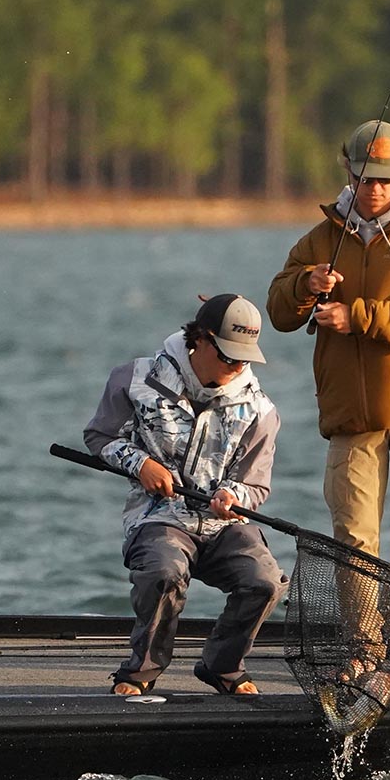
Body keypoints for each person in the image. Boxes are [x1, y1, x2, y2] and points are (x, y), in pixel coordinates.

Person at [267, 119, 390, 678]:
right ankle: (364, 649)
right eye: (366, 177)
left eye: (386, 179)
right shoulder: (320, 238)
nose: (375, 188)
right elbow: (277, 311)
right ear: (347, 169)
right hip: (350, 419)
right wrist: (306, 286)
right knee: (354, 542)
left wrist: (356, 316)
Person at [84, 294, 287, 696]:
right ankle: (140, 672)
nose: (237, 366)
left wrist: (232, 495)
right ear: (202, 341)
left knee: (265, 582)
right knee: (163, 573)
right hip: (158, 519)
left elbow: (256, 484)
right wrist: (140, 464)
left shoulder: (262, 411)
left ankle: (222, 667)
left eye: (245, 358)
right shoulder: (134, 379)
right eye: (229, 356)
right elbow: (99, 436)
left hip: (224, 525)